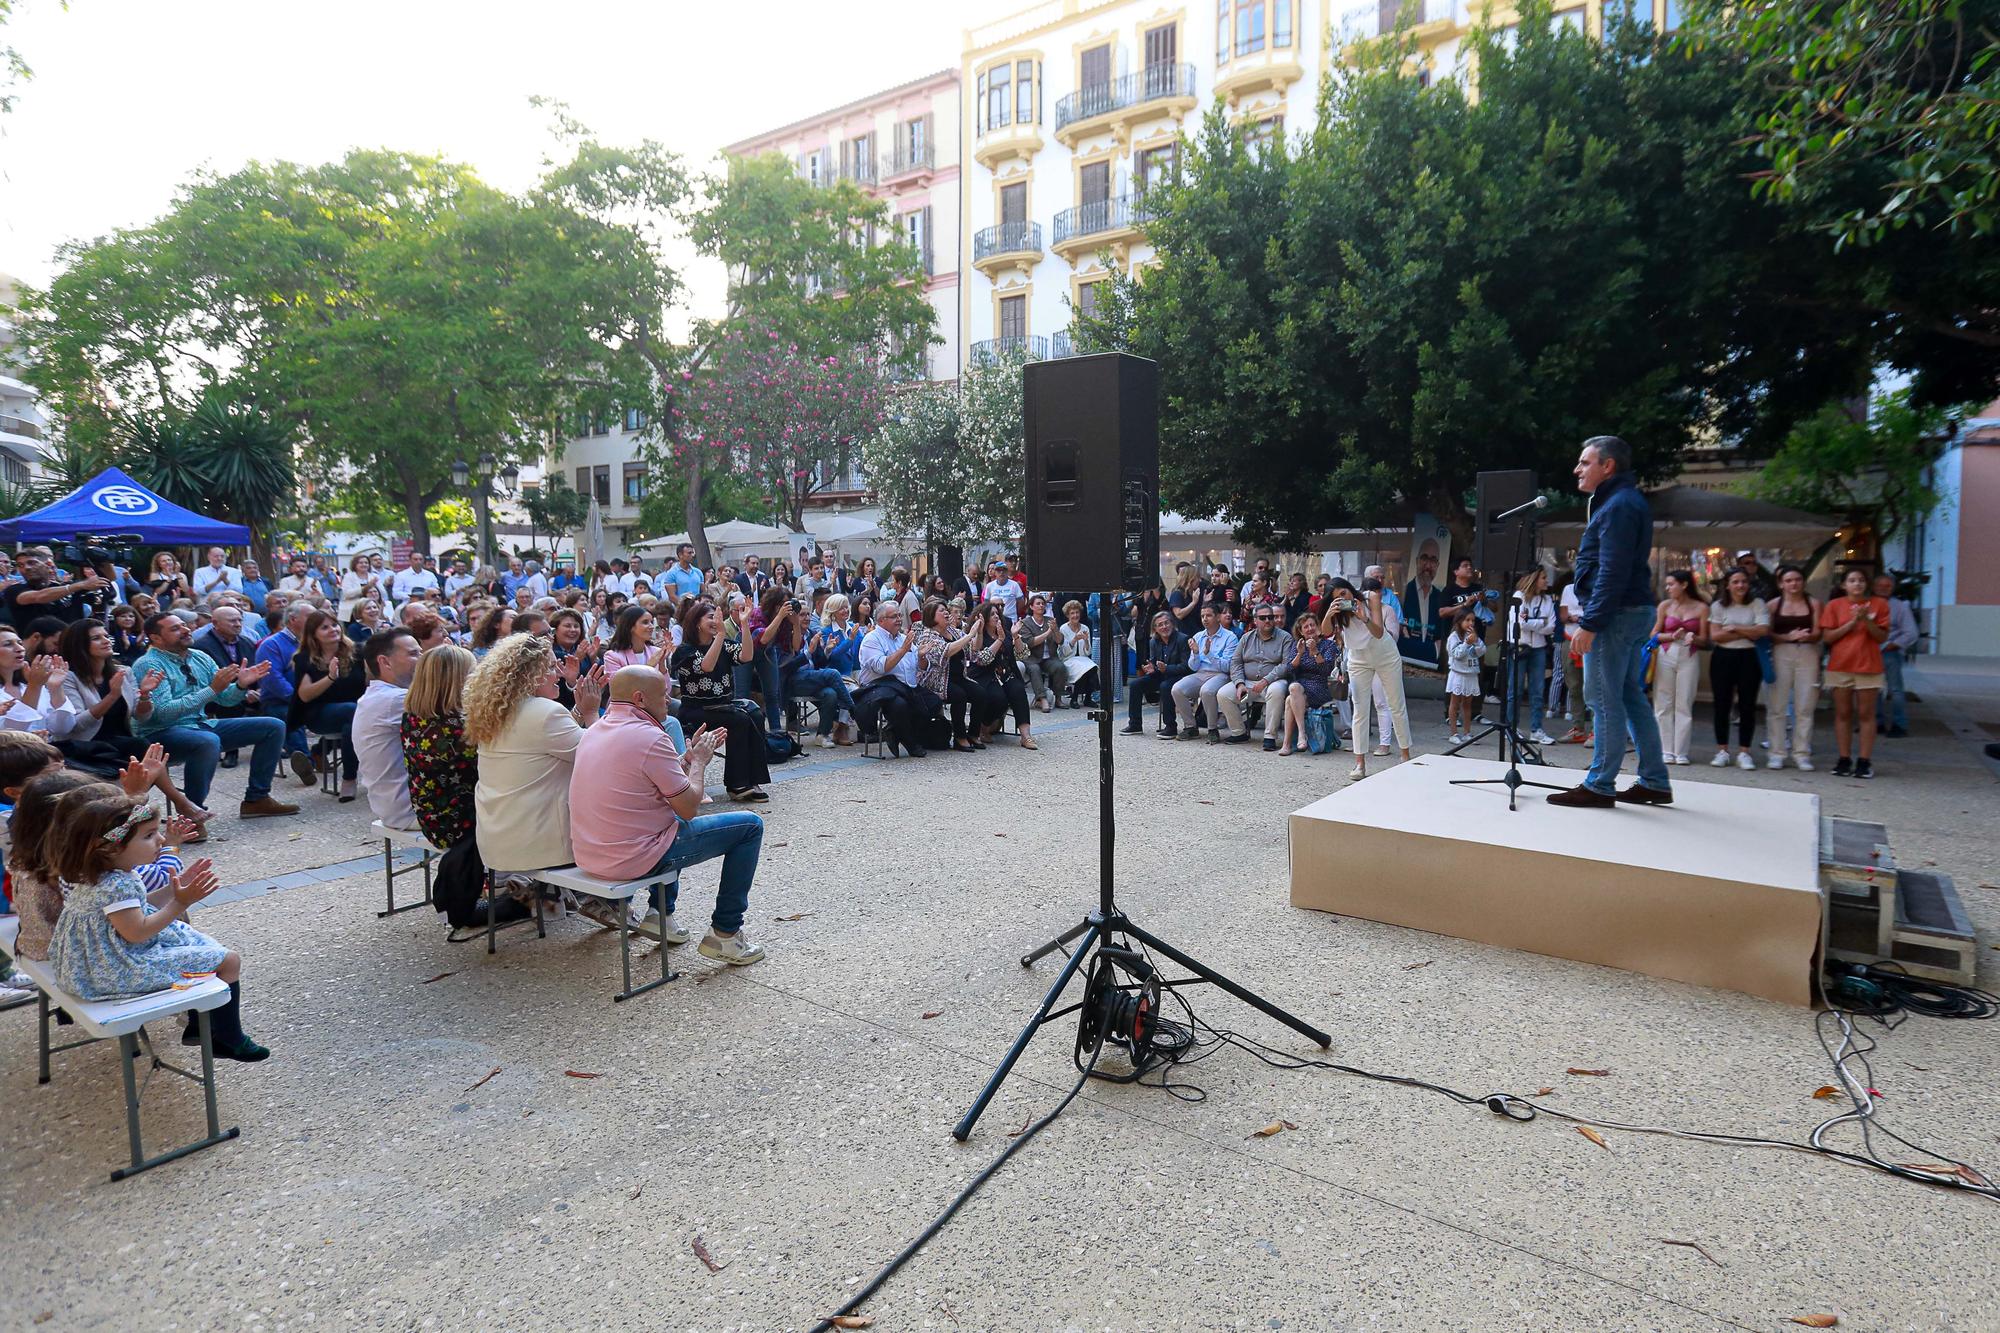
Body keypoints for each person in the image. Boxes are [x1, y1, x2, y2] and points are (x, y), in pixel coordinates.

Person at [47, 785, 267, 1061]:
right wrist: (180, 903)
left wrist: (175, 890)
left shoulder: (100, 873)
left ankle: (200, 1023)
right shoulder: (116, 884)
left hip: (94, 964)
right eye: (149, 835)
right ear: (111, 846)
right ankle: (228, 1038)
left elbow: (133, 909)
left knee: (195, 940)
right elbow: (136, 932)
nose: (162, 841)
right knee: (229, 960)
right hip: (114, 971)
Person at [568, 667, 766, 963]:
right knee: (750, 825)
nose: (669, 700)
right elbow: (688, 808)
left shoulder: (595, 729)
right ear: (640, 699)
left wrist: (685, 760)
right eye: (663, 694)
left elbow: (646, 782)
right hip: (630, 859)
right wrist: (699, 763)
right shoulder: (650, 737)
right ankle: (726, 933)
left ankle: (660, 915)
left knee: (664, 821)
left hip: (591, 855)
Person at [1548, 435, 1671, 808]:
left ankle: (1600, 784)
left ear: (1608, 466)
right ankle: (1654, 781)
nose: (1577, 469)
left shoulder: (1617, 506)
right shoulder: (1623, 502)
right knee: (1630, 696)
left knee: (1602, 699)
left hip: (1616, 615)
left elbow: (1612, 571)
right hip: (1632, 610)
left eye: (1585, 462)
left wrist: (1591, 622)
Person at [465, 632, 605, 887]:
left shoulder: (495, 710)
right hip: (539, 846)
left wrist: (579, 712)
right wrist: (592, 711)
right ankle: (616, 903)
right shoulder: (545, 712)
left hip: (496, 842)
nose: (559, 674)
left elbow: (551, 742)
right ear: (530, 674)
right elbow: (598, 759)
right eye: (551, 667)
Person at [126, 612, 297, 818]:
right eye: (175, 629)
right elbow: (162, 713)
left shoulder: (199, 657)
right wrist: (212, 690)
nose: (186, 630)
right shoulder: (148, 664)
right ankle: (191, 814)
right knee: (207, 741)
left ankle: (257, 799)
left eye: (184, 625)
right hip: (160, 734)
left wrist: (241, 685)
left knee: (273, 726)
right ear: (156, 638)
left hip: (200, 725)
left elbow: (226, 699)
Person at [50, 620, 211, 827]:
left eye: (106, 636)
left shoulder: (123, 671)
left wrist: (144, 695)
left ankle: (133, 826)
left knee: (146, 750)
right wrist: (112, 695)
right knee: (142, 749)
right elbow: (76, 725)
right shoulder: (68, 677)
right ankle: (179, 804)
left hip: (120, 742)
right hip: (82, 745)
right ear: (80, 645)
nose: (106, 641)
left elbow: (141, 716)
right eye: (96, 638)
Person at [672, 599, 771, 800]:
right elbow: (706, 666)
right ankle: (736, 784)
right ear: (697, 622)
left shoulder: (723, 643)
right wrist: (721, 635)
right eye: (710, 617)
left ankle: (752, 780)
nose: (716, 620)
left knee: (754, 713)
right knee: (739, 720)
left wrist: (744, 623)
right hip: (697, 709)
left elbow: (746, 656)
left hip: (723, 706)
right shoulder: (685, 651)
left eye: (717, 617)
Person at [1324, 577, 1411, 779]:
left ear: (1350, 589)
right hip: (1358, 658)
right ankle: (1360, 763)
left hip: (1385, 654)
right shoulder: (1338, 612)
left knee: (1396, 704)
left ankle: (1405, 756)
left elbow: (1379, 632)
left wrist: (1364, 617)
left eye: (1344, 594)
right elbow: (1325, 632)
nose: (1342, 599)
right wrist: (1330, 613)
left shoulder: (1370, 597)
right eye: (1337, 598)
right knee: (1360, 710)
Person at [402, 644, 480, 850]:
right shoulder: (459, 727)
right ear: (458, 680)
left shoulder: (413, 717)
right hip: (460, 826)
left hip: (430, 818)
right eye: (474, 672)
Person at [290, 610, 366, 802]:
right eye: (325, 627)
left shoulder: (356, 651)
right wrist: (331, 677)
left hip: (355, 713)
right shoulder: (304, 658)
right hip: (319, 714)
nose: (333, 629)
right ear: (313, 634)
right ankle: (349, 777)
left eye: (334, 625)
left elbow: (368, 681)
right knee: (352, 711)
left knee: (353, 720)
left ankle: (351, 777)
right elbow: (305, 695)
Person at [1821, 567, 1888, 779]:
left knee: (1866, 714)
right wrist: (1852, 622)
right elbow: (1828, 637)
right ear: (1844, 585)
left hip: (1869, 665)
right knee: (1843, 714)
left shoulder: (1879, 604)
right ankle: (1844, 758)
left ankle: (1864, 760)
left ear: (1866, 584)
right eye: (1852, 580)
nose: (1856, 584)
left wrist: (1866, 620)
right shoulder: (1834, 605)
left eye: (1860, 580)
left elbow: (1881, 637)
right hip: (1840, 665)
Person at [353, 628, 422, 830]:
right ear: (385, 662)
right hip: (410, 810)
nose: (423, 658)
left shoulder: (383, 694)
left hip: (393, 806)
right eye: (413, 654)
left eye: (420, 652)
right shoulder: (394, 699)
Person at [855, 600, 935, 758]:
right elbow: (882, 667)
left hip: (905, 686)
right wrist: (903, 650)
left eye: (899, 615)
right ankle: (911, 743)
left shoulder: (902, 638)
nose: (899, 619)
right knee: (899, 706)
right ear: (881, 621)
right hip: (880, 687)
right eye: (894, 616)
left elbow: (921, 667)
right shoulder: (872, 639)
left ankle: (893, 730)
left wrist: (921, 657)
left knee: (933, 702)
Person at [1706, 568, 1767, 770]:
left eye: (1744, 581)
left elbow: (1762, 631)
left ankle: (1744, 751)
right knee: (1722, 704)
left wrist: (1734, 628)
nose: (1740, 585)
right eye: (1736, 582)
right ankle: (1722, 750)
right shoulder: (1718, 606)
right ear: (1728, 584)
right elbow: (1715, 636)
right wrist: (1747, 632)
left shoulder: (1757, 604)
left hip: (1749, 657)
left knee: (1747, 705)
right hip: (1723, 656)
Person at [253, 600, 318, 786]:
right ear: (293, 619)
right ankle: (306, 762)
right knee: (288, 715)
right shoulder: (271, 644)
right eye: (310, 617)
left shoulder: (315, 642)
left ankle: (320, 752)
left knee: (345, 712)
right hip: (281, 700)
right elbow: (273, 679)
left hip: (314, 697)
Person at [1765, 565, 1821, 771]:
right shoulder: (1773, 605)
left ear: (1803, 582)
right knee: (1777, 705)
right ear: (1781, 584)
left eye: (1797, 579)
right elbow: (1767, 632)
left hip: (1807, 651)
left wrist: (1807, 636)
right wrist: (1785, 637)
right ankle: (1776, 752)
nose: (1793, 584)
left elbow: (1818, 632)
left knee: (1805, 705)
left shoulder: (1813, 603)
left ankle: (1801, 753)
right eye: (1788, 580)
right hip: (1781, 652)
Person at [1649, 570, 1707, 766]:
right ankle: (1665, 749)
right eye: (1667, 584)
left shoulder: (1701, 607)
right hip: (1667, 653)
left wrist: (1694, 637)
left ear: (1684, 584)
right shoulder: (1665, 606)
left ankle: (1680, 751)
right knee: (1663, 703)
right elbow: (1654, 634)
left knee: (1684, 702)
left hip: (1689, 654)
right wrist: (1671, 636)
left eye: (1671, 584)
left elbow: (1706, 639)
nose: (1668, 588)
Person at [967, 600, 1035, 749]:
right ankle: (984, 727)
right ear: (984, 617)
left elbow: (1023, 654)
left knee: (1018, 690)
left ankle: (1026, 736)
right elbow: (982, 660)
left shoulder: (1005, 631)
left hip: (1006, 674)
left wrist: (1016, 636)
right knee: (999, 698)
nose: (996, 616)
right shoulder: (979, 635)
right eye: (992, 614)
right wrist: (1000, 640)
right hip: (984, 675)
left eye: (997, 613)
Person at [1223, 603, 1292, 749]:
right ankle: (1239, 733)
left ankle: (1270, 736)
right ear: (1255, 620)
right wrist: (1239, 683)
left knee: (1277, 690)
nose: (1267, 620)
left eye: (1270, 617)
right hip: (1247, 682)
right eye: (1263, 617)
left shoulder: (1285, 638)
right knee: (1223, 694)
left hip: (1273, 681)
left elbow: (1286, 665)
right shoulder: (1246, 638)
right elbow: (1235, 662)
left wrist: (1266, 680)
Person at [1171, 604, 1238, 742]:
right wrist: (1195, 653)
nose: (1205, 619)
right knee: (1177, 689)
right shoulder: (1198, 636)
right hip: (1201, 673)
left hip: (1221, 674)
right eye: (1202, 616)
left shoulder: (1230, 637)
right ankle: (1190, 727)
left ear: (1218, 617)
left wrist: (1209, 653)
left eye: (1208, 615)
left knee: (1207, 690)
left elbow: (1227, 667)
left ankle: (1212, 729)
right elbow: (1193, 667)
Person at [1278, 612, 1340, 756]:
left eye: (1312, 625)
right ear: (1301, 631)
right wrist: (1299, 654)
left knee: (1291, 696)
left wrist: (1315, 652)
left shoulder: (1328, 645)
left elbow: (1327, 670)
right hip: (1301, 687)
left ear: (1318, 628)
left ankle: (1293, 740)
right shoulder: (1297, 645)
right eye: (1306, 627)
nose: (1310, 629)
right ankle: (1296, 738)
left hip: (1321, 686)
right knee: (1293, 691)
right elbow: (1289, 669)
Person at [1, 546, 110, 627]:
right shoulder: (14, 590)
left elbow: (109, 578)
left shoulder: (68, 588)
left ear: (48, 565)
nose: (26, 568)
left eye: (32, 562)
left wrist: (104, 558)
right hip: (38, 652)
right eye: (21, 565)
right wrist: (80, 585)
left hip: (71, 648)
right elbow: (38, 597)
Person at [1509, 569, 1559, 745]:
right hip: (1519, 646)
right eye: (1544, 578)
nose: (1547, 581)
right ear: (1534, 579)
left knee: (1537, 691)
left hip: (1538, 647)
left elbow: (1551, 626)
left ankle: (1536, 729)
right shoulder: (1519, 596)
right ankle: (1511, 727)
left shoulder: (1547, 600)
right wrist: (1539, 622)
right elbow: (1518, 623)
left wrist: (1531, 622)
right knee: (1514, 689)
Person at [1123, 610, 1190, 738]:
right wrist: (1151, 668)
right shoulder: (1154, 641)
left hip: (1179, 676)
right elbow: (1154, 663)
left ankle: (1171, 726)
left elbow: (1187, 666)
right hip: (1161, 674)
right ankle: (1135, 724)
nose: (1164, 627)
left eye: (1166, 623)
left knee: (1165, 686)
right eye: (1160, 625)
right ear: (1155, 629)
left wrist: (1167, 669)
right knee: (1136, 684)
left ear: (1172, 624)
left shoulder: (1182, 639)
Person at [1873, 573, 1917, 738]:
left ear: (1893, 588)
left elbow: (1911, 632)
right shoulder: (1866, 604)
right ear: (1874, 587)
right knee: (1872, 689)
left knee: (1895, 690)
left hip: (1890, 652)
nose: (1884, 589)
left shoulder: (1900, 606)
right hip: (1870, 653)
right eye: (1880, 585)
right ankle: (1876, 722)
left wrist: (1892, 645)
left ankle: (1899, 724)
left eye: (1888, 586)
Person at [1444, 611, 1483, 743]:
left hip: (1471, 674)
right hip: (1458, 674)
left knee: (1468, 704)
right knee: (1455, 703)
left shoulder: (1472, 636)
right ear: (1459, 621)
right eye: (1467, 620)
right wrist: (1467, 643)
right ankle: (1454, 733)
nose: (1471, 623)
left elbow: (1481, 651)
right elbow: (1457, 654)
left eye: (1473, 620)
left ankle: (1467, 732)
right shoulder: (1453, 637)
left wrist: (1476, 641)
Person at [338, 553, 382, 622]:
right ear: (355, 564)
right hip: (352, 611)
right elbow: (346, 594)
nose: (364, 564)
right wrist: (366, 587)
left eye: (366, 563)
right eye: (360, 563)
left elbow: (382, 593)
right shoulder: (348, 576)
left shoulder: (374, 577)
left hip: (371, 610)